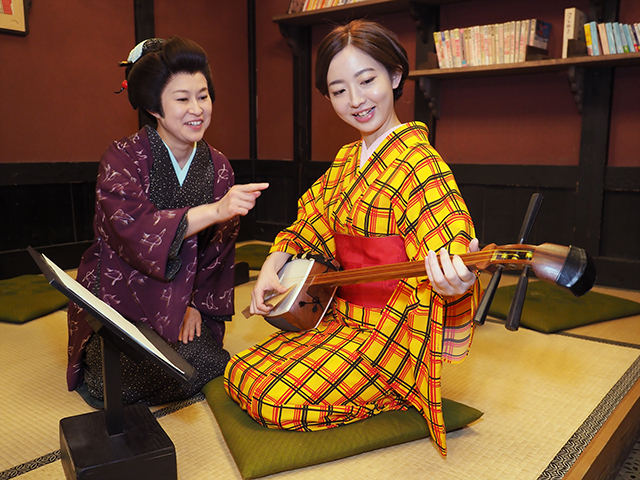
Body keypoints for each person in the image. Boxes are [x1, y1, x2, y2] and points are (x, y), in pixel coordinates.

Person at [224, 20, 480, 457]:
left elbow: (451, 242)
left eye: (367, 80)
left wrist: (456, 281)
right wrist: (274, 260)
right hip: (340, 317)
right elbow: (312, 222)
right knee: (241, 372)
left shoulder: (420, 161)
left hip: (392, 329)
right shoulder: (347, 159)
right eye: (339, 90)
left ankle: (396, 389)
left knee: (275, 399)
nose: (356, 100)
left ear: (395, 76)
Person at [67, 36, 268, 406]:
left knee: (208, 361)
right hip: (122, 299)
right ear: (154, 106)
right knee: (115, 382)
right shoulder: (121, 159)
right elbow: (131, 236)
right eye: (182, 98)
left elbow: (215, 256)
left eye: (203, 95)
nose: (197, 109)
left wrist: (190, 305)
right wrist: (215, 211)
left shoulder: (219, 168)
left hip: (187, 302)